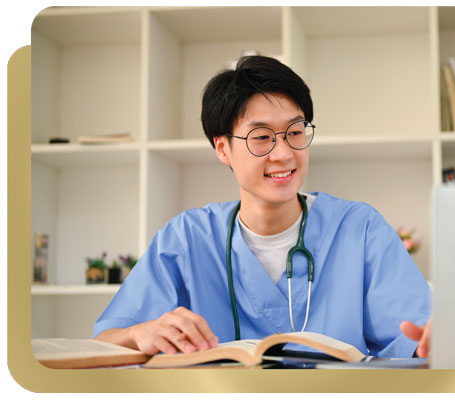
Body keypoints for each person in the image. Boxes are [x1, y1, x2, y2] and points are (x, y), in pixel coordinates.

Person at [94, 55, 432, 358]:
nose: (284, 153)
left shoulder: (359, 229)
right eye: (261, 137)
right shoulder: (186, 238)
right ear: (222, 148)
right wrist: (140, 333)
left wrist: (435, 341)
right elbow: (106, 338)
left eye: (295, 132)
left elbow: (416, 339)